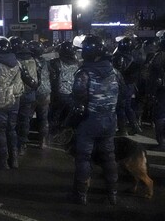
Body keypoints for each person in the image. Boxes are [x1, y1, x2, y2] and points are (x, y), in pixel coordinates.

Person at [71, 34, 122, 205]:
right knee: (109, 156)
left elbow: (78, 98)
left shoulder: (84, 73)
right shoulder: (114, 71)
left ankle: (81, 194)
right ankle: (112, 193)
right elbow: (120, 94)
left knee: (84, 157)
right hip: (109, 120)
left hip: (90, 121)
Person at [0, 36, 37, 170]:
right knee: (12, 130)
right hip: (15, 100)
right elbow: (32, 82)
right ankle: (15, 160)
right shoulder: (18, 63)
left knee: (0, 130)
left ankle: (3, 161)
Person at [12, 37, 40, 156]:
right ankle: (22, 144)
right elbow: (38, 79)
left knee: (14, 121)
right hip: (29, 94)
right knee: (25, 120)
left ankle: (14, 145)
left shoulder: (14, 60)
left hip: (15, 95)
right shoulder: (34, 59)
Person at [112, 37, 142, 135]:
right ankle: (135, 126)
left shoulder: (121, 57)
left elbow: (118, 71)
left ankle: (122, 129)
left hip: (123, 84)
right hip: (130, 84)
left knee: (120, 107)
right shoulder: (134, 55)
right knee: (127, 106)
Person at [49, 41, 80, 134]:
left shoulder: (55, 62)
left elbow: (53, 79)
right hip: (73, 93)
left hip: (60, 93)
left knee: (55, 114)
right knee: (68, 115)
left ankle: (55, 133)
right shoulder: (77, 63)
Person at [27, 40, 52, 148]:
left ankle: (23, 143)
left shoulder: (28, 62)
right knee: (43, 118)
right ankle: (43, 142)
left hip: (31, 92)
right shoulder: (47, 62)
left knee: (26, 118)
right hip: (45, 93)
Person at [148, 33, 165, 151]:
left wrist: (152, 92)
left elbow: (155, 76)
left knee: (159, 116)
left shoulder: (160, 56)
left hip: (161, 90)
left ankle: (162, 143)